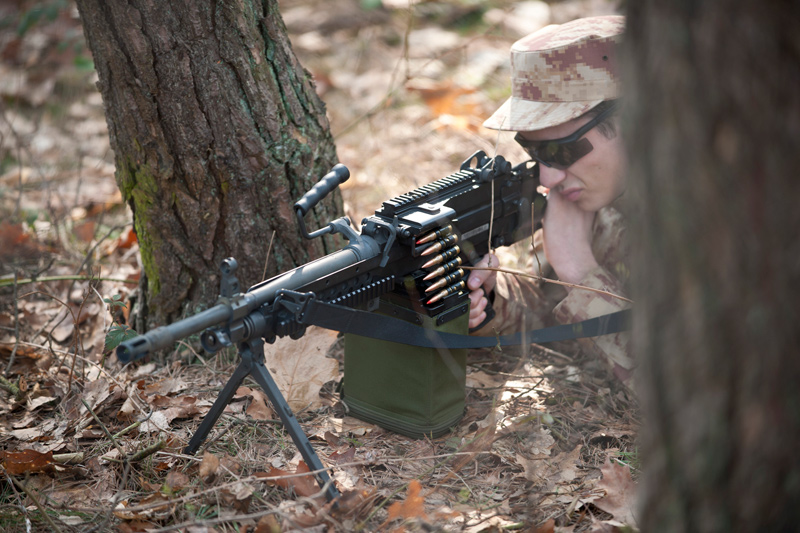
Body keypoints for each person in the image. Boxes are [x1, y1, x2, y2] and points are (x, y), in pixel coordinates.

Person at [467, 15, 635, 388]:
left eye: (560, 150)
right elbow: (550, 323)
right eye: (532, 150)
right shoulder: (591, 202)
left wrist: (579, 270)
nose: (547, 178)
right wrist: (489, 306)